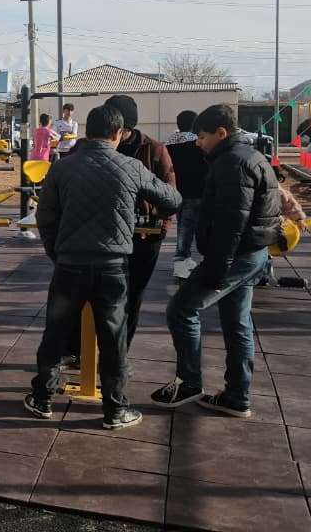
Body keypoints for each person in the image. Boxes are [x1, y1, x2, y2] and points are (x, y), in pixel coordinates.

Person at [26, 105, 181, 429]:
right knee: (113, 340)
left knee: (55, 333)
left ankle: (42, 397)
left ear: (86, 130)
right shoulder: (131, 167)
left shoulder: (62, 167)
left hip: (69, 265)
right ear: (118, 133)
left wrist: (57, 252)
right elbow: (172, 200)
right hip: (113, 266)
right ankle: (115, 409)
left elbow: (45, 217)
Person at [152, 104, 279, 418]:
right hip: (252, 252)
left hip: (235, 255)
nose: (198, 143)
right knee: (237, 323)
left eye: (202, 136)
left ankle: (189, 382)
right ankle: (237, 395)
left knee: (181, 309)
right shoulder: (250, 156)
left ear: (221, 133)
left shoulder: (233, 164)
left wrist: (217, 269)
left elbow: (231, 223)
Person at [106, 94, 176, 346]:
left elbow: (170, 194)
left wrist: (159, 227)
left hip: (144, 236)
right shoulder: (94, 147)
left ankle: (121, 349)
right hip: (106, 233)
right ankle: (86, 350)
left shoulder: (154, 150)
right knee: (100, 295)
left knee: (133, 295)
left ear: (126, 128)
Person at [167, 110, 207, 280]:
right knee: (188, 227)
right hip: (195, 191)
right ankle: (180, 259)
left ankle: (186, 258)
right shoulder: (197, 144)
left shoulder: (170, 143)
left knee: (182, 225)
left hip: (177, 191)